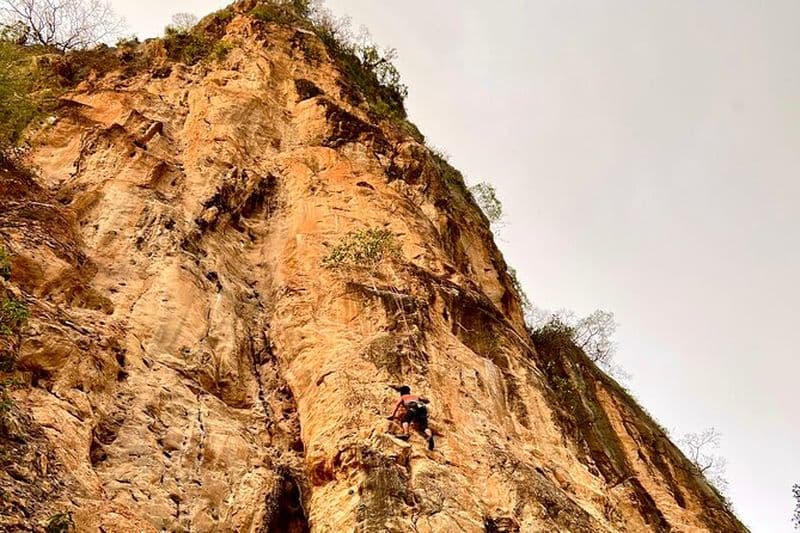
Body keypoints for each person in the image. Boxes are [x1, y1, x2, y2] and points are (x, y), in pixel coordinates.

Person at [387, 385, 435, 450]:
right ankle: (430, 436)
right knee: (424, 427)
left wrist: (392, 415)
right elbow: (426, 400)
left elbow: (397, 406)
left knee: (405, 420)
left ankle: (406, 434)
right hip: (422, 407)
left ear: (401, 392)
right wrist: (425, 400)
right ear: (409, 391)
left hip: (413, 407)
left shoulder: (403, 397)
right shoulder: (415, 396)